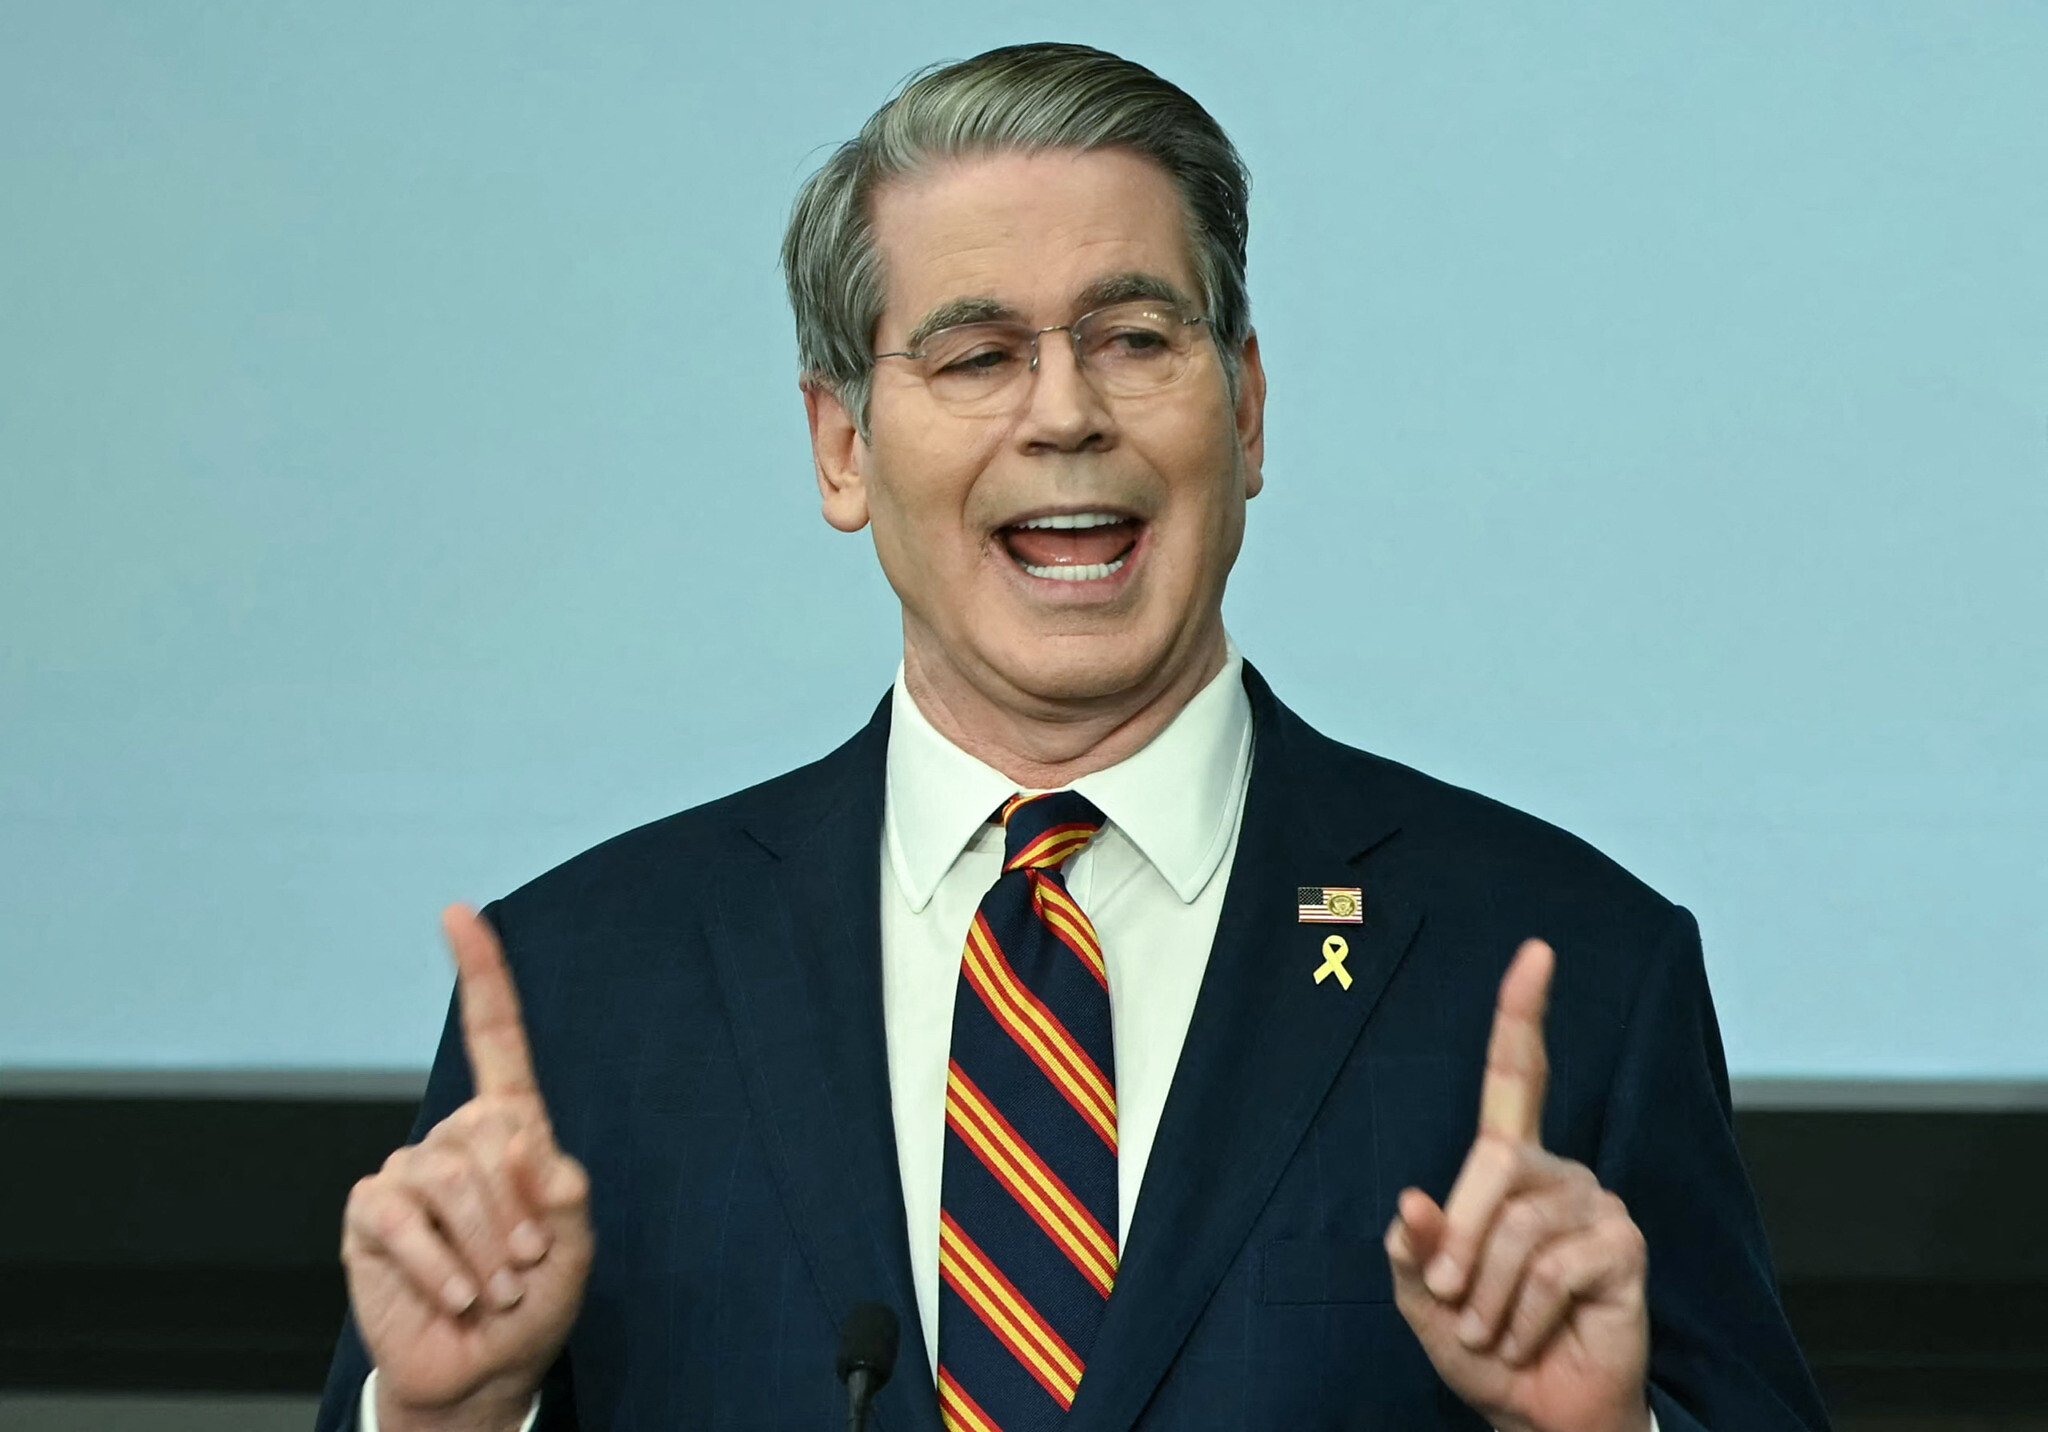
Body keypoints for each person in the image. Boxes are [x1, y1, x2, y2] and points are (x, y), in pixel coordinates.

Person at [316, 42, 1830, 1432]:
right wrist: (449, 1420)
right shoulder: (587, 990)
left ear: (1246, 408)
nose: (1064, 416)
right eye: (976, 357)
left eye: (1134, 338)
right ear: (842, 447)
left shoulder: (1573, 965)